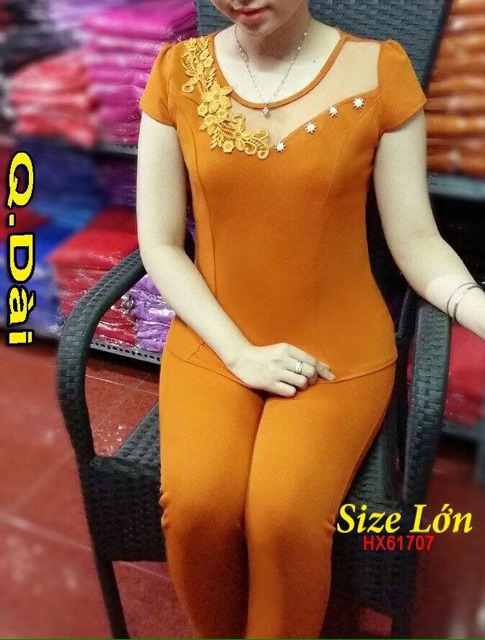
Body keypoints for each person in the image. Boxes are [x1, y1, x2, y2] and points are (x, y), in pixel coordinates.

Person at [136, 1, 485, 637]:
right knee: (196, 509)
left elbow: (415, 240)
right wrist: (239, 353)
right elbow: (159, 243)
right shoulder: (175, 72)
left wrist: (474, 306)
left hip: (336, 346)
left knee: (285, 517)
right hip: (216, 338)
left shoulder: (381, 71)